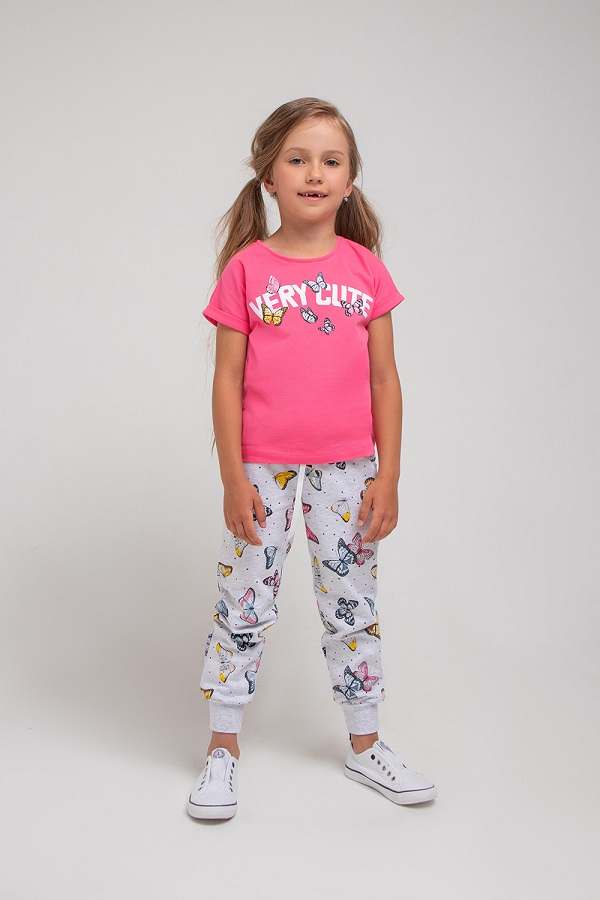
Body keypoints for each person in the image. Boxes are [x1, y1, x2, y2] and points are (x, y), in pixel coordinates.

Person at [187, 97, 437, 820]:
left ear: (350, 181)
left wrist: (389, 475)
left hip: (349, 469)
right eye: (297, 159)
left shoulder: (366, 271)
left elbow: (385, 380)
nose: (314, 173)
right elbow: (226, 380)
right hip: (261, 468)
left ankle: (366, 746)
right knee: (244, 601)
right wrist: (232, 477)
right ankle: (222, 751)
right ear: (269, 175)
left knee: (352, 604)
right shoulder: (246, 270)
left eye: (331, 161)